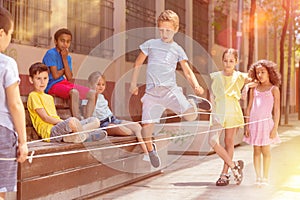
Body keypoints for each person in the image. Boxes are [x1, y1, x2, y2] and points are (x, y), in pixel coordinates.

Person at [130, 10, 205, 168]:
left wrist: (196, 85)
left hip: (170, 91)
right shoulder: (151, 44)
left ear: (176, 29)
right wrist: (133, 83)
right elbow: (137, 63)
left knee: (190, 117)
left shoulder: (177, 49)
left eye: (168, 31)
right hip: (152, 94)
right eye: (161, 30)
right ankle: (151, 151)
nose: (164, 34)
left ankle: (191, 102)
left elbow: (187, 71)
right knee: (146, 129)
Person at [27, 62, 107, 143]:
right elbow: (45, 118)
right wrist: (64, 122)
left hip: (60, 128)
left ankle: (73, 137)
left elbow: (54, 116)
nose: (42, 82)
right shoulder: (33, 96)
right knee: (72, 121)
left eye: (45, 78)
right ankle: (86, 136)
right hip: (50, 132)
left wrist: (67, 124)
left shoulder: (49, 97)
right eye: (38, 79)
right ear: (31, 79)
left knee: (95, 121)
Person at [209, 48, 250, 186]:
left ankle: (224, 174)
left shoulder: (240, 76)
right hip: (219, 111)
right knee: (212, 141)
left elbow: (260, 78)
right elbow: (212, 96)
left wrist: (247, 87)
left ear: (236, 62)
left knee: (229, 142)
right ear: (222, 61)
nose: (228, 64)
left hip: (233, 110)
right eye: (225, 60)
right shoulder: (216, 76)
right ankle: (234, 166)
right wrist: (212, 110)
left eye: (231, 61)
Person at [87, 71, 149, 160]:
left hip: (113, 119)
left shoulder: (102, 97)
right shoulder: (89, 98)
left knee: (137, 126)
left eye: (103, 84)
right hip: (103, 124)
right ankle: (145, 149)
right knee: (127, 131)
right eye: (98, 84)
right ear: (90, 85)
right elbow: (88, 115)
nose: (101, 87)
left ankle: (147, 152)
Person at [0, 7, 28, 200]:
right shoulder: (7, 63)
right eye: (11, 34)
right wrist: (23, 141)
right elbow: (15, 104)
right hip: (3, 132)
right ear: (1, 33)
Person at [42, 28, 95, 119]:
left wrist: (64, 59)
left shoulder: (67, 57)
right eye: (62, 41)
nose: (65, 44)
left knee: (92, 93)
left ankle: (87, 120)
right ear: (55, 41)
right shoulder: (51, 54)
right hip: (51, 85)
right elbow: (55, 76)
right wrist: (64, 70)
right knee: (74, 92)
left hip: (64, 83)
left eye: (68, 42)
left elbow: (69, 77)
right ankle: (77, 120)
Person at [243, 60, 281, 187]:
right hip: (254, 124)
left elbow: (276, 110)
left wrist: (275, 127)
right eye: (257, 72)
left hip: (266, 124)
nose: (260, 75)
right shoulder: (254, 89)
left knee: (266, 151)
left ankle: (265, 177)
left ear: (269, 73)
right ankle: (258, 177)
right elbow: (249, 108)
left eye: (263, 72)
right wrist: (247, 125)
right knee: (256, 151)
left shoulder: (274, 89)